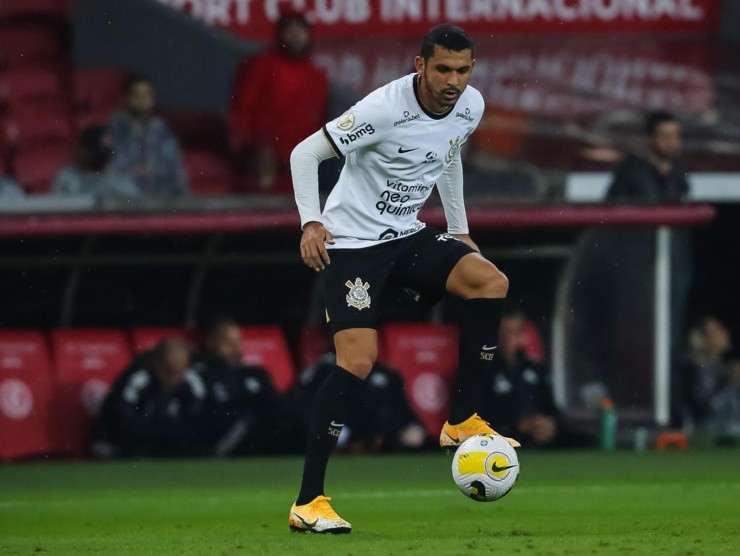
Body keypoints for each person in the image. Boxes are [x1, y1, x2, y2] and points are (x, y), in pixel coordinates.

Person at [287, 24, 518, 534]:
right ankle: (309, 502)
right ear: (420, 66)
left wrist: (459, 228)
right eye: (443, 69)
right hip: (352, 244)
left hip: (407, 235)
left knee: (490, 281)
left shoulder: (471, 106)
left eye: (462, 70)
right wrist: (311, 222)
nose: (453, 81)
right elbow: (305, 153)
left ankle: (462, 419)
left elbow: (448, 153)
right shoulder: (383, 109)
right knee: (357, 361)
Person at [228, 8, 328, 194]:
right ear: (281, 35)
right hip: (266, 149)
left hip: (303, 152)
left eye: (300, 31)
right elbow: (243, 107)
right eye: (291, 31)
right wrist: (245, 142)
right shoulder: (263, 65)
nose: (296, 36)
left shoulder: (315, 75)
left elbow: (318, 117)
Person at [478, 311, 593, 449]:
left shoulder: (535, 369)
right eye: (504, 332)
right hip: (506, 439)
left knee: (587, 441)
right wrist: (520, 426)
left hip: (543, 437)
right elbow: (481, 414)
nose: (509, 338)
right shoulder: (485, 370)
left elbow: (551, 408)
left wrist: (549, 425)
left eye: (515, 332)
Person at [194, 318, 298, 456]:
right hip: (221, 439)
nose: (235, 348)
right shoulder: (199, 375)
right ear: (211, 342)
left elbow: (276, 404)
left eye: (237, 342)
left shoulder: (255, 373)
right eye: (227, 342)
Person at [91, 337, 210, 458]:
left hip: (171, 440)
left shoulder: (192, 382)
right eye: (168, 371)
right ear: (157, 363)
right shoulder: (137, 378)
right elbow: (121, 417)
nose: (173, 379)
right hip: (134, 439)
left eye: (179, 372)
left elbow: (198, 418)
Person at [292, 352, 428, 454]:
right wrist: (343, 436)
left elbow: (407, 415)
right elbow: (303, 408)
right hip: (337, 446)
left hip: (384, 446)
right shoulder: (326, 369)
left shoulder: (387, 374)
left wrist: (412, 427)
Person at [107, 74, 189, 196]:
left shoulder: (160, 130)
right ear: (126, 98)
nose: (142, 100)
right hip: (124, 196)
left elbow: (175, 169)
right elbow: (114, 169)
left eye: (146, 95)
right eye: (137, 95)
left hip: (157, 196)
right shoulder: (116, 128)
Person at [607, 110, 689, 204]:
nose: (672, 142)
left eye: (676, 136)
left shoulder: (677, 171)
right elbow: (613, 207)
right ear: (650, 138)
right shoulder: (631, 171)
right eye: (666, 137)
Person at [50, 125, 138, 197]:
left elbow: (134, 202)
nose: (101, 159)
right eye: (97, 153)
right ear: (82, 150)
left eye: (105, 154)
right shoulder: (67, 178)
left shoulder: (118, 177)